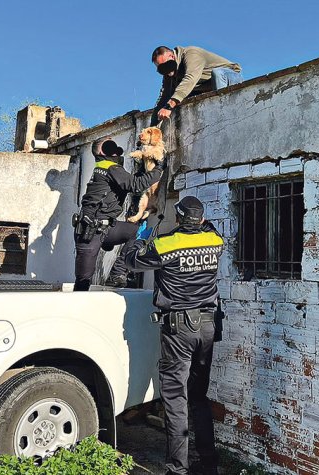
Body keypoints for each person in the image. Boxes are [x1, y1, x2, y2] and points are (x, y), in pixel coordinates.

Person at [124, 196, 224, 475]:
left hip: (179, 329)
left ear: (178, 219)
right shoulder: (215, 242)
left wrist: (140, 235)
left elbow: (131, 261)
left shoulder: (166, 244)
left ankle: (178, 468)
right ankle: (208, 463)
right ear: (201, 219)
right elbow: (212, 229)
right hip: (208, 325)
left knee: (175, 397)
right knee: (199, 396)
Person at [73, 136, 165, 291]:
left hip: (105, 228)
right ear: (103, 151)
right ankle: (77, 308)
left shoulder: (108, 170)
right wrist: (159, 167)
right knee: (83, 279)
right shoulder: (110, 168)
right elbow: (136, 184)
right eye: (110, 145)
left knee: (134, 232)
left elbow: (131, 181)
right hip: (90, 230)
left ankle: (117, 275)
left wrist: (143, 165)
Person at [150, 45, 242, 126]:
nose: (165, 70)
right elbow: (164, 97)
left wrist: (169, 106)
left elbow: (190, 78)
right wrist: (152, 126)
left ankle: (223, 115)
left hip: (230, 78)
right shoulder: (169, 73)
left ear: (172, 56)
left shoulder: (192, 54)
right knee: (180, 95)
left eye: (166, 65)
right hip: (207, 87)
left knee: (217, 73)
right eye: (161, 69)